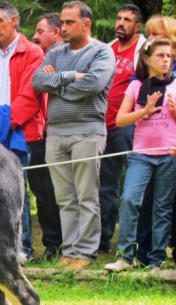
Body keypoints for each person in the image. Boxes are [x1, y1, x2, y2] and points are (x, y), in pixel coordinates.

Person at [32, 1, 116, 271]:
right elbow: (37, 82)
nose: (63, 27)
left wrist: (57, 84)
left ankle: (86, 251)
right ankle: (69, 251)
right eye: (63, 22)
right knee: (64, 197)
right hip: (55, 134)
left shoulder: (102, 52)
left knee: (86, 195)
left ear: (86, 24)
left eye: (70, 22)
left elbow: (92, 84)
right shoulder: (56, 52)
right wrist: (69, 76)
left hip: (87, 132)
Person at [104, 38, 176, 274]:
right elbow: (119, 119)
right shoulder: (136, 87)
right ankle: (125, 257)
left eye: (169, 55)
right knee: (130, 201)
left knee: (162, 207)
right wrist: (144, 111)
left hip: (169, 154)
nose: (166, 60)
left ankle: (156, 261)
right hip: (140, 155)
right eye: (160, 55)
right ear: (147, 59)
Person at [0, 2, 45, 261]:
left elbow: (30, 98)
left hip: (17, 131)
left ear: (14, 21)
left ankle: (21, 248)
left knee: (15, 190)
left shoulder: (32, 52)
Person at [98, 4, 146, 253]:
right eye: (118, 18)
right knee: (105, 185)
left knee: (134, 186)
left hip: (130, 126)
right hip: (105, 125)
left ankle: (137, 242)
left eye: (127, 20)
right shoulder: (107, 50)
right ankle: (103, 241)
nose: (120, 23)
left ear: (137, 26)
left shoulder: (144, 50)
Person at [136, 15, 176, 265]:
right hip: (148, 146)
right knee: (146, 200)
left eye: (155, 33)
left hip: (171, 146)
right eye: (149, 34)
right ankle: (144, 253)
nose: (149, 39)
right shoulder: (144, 70)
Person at [29, 12, 64, 261]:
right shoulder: (42, 57)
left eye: (41, 31)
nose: (35, 35)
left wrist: (55, 77)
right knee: (41, 191)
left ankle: (69, 246)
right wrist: (47, 77)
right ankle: (52, 245)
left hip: (62, 131)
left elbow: (88, 84)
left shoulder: (77, 54)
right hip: (41, 134)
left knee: (61, 192)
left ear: (57, 32)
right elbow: (37, 83)